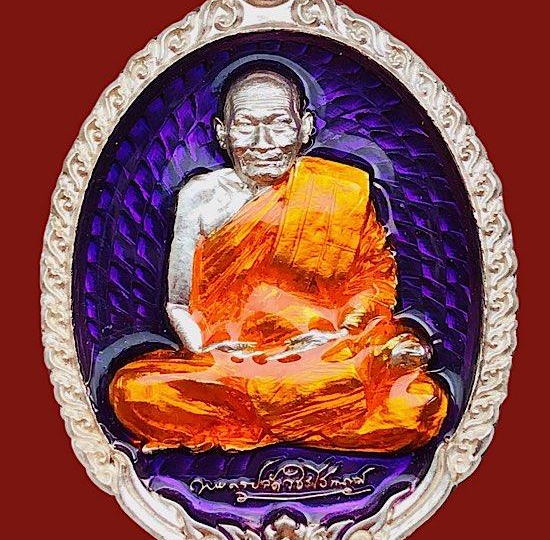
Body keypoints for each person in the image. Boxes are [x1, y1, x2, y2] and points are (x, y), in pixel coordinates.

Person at [110, 68, 447, 453]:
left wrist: (339, 334)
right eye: (246, 126)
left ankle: (263, 416)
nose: (263, 142)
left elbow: (373, 282)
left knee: (418, 404)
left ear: (304, 128)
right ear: (222, 132)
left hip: (321, 353)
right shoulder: (200, 197)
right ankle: (316, 406)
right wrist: (204, 351)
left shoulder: (339, 190)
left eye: (279, 124)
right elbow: (178, 304)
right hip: (232, 364)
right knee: (132, 390)